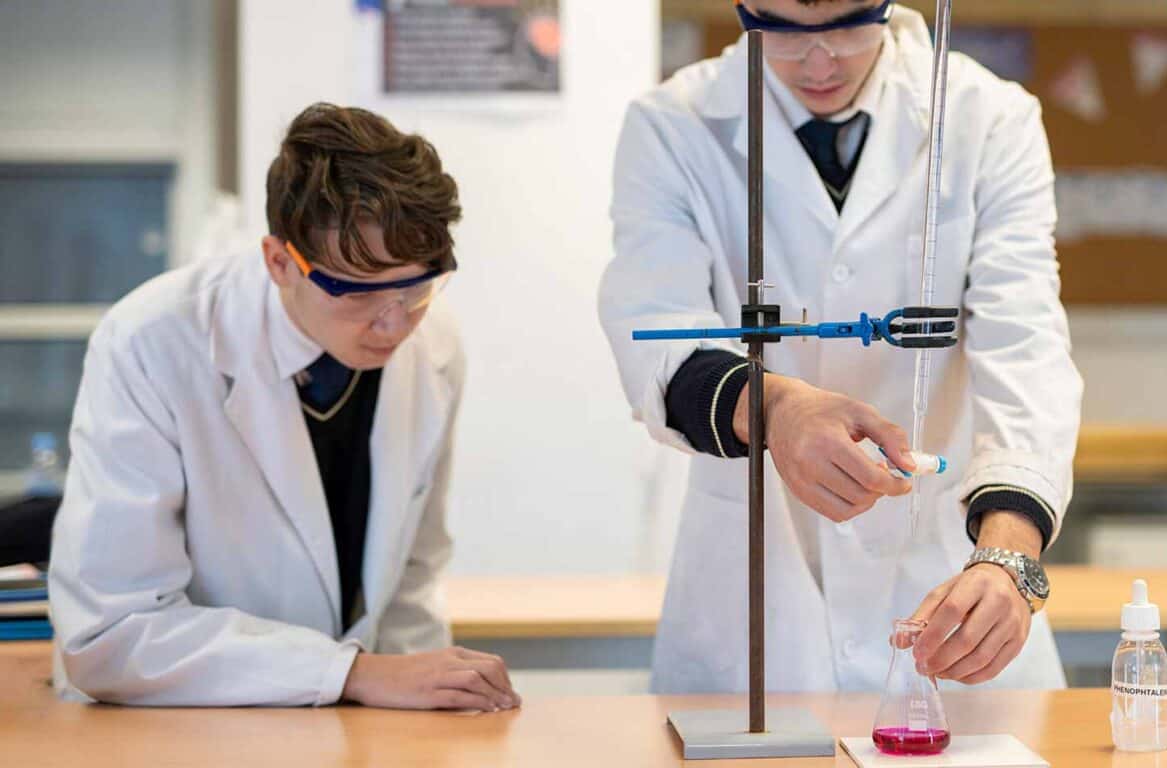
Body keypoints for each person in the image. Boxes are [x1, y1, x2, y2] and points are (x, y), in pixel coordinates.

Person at [599, 0, 1082, 693]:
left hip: (946, 568)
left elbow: (1026, 344)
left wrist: (1010, 558)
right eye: (784, 28)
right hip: (758, 597)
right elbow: (654, 333)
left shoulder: (990, 119)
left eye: (849, 23)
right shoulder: (672, 128)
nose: (819, 61)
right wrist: (776, 408)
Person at [48, 103, 518, 711]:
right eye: (357, 291)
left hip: (352, 728)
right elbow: (112, 635)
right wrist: (349, 673)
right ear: (279, 262)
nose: (394, 322)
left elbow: (410, 580)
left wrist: (434, 706)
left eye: (418, 284)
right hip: (178, 726)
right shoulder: (153, 340)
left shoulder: (435, 340)